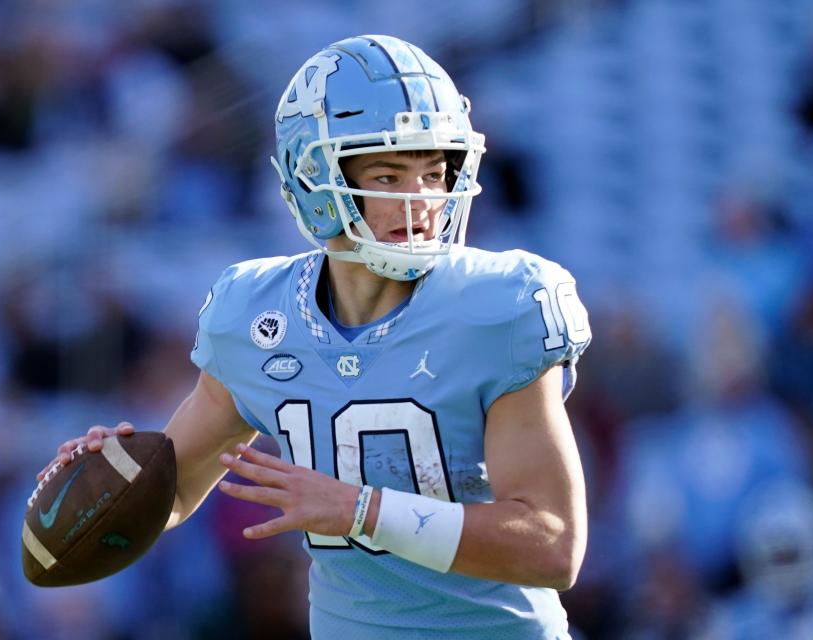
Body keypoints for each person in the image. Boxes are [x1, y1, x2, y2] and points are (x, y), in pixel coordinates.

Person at [39, 34, 592, 639]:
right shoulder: (255, 316)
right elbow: (172, 494)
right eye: (389, 173)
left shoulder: (498, 306)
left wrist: (363, 511)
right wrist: (110, 479)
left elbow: (552, 544)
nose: (423, 201)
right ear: (314, 177)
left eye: (435, 173)